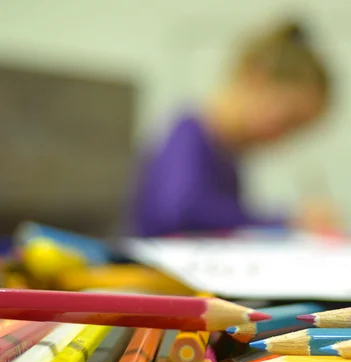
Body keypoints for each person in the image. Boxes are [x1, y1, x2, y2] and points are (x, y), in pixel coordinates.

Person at [129, 20, 339, 237]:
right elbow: (181, 211)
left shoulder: (228, 154)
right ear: (257, 78)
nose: (283, 137)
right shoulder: (189, 133)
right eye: (288, 119)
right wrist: (288, 220)